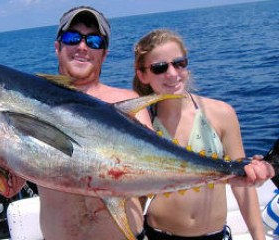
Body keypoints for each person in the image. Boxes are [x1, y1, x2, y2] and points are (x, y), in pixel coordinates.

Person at [132, 29, 273, 240]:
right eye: (160, 68)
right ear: (143, 75)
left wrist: (258, 237)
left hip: (215, 235)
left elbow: (242, 184)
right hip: (157, 234)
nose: (172, 73)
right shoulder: (141, 122)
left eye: (179, 63)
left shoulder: (222, 114)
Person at [37, 6, 152, 240]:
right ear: (57, 47)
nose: (82, 47)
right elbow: (10, 186)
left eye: (94, 41)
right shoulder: (34, 104)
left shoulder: (129, 103)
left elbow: (156, 173)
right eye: (72, 38)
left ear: (104, 54)